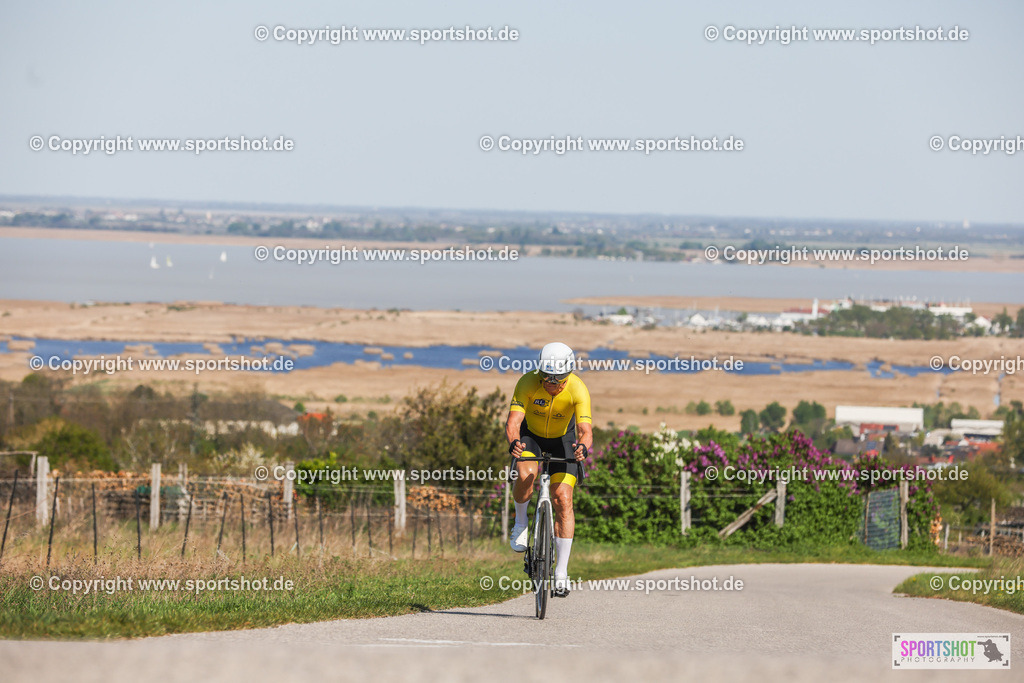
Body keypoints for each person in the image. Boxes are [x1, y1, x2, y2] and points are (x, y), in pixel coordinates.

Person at [506, 341, 592, 597]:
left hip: (563, 442)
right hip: (530, 437)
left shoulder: (578, 389)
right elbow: (513, 422)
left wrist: (583, 448)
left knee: (563, 498)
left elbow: (585, 431)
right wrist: (513, 442)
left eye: (558, 379)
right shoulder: (526, 383)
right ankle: (521, 522)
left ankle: (562, 572)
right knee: (527, 474)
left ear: (568, 376)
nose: (551, 383)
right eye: (546, 377)